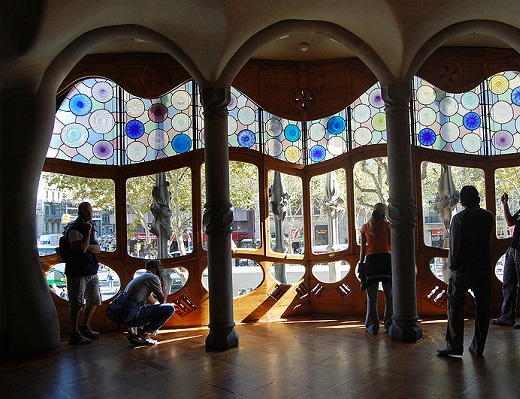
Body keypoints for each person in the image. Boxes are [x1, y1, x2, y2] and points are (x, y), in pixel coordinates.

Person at [437, 185, 494, 357]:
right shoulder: (488, 216)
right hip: (483, 267)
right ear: (477, 199)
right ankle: (478, 346)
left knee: (455, 306)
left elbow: (455, 247)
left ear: (462, 201)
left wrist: (453, 269)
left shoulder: (459, 219)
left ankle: (454, 345)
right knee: (483, 307)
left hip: (463, 269)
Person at [106, 259, 175, 346]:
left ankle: (134, 332)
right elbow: (162, 301)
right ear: (156, 269)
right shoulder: (153, 278)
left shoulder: (142, 278)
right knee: (170, 309)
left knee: (147, 306)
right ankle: (143, 333)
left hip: (122, 314)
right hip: (130, 315)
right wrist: (164, 287)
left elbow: (153, 302)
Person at [65, 202, 102, 345]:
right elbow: (81, 249)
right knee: (76, 303)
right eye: (87, 211)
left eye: (91, 210)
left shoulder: (91, 227)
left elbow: (97, 248)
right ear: (80, 212)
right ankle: (74, 333)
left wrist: (87, 246)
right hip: (77, 272)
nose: (90, 213)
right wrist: (87, 234)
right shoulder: (73, 230)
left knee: (94, 299)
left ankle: (84, 327)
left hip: (91, 270)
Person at [359, 202, 392, 335]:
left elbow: (362, 250)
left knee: (371, 298)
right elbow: (392, 246)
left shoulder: (365, 228)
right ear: (385, 213)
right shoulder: (389, 226)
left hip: (371, 262)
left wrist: (361, 264)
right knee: (389, 296)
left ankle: (372, 326)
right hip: (386, 261)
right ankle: (389, 324)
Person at [492, 193, 520, 329]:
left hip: (518, 249)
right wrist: (505, 205)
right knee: (508, 283)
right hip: (513, 248)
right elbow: (510, 222)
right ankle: (507, 317)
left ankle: (508, 316)